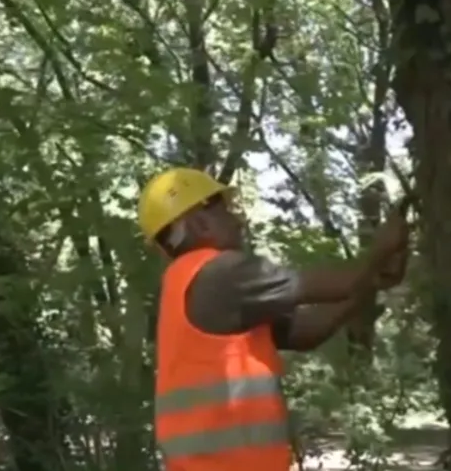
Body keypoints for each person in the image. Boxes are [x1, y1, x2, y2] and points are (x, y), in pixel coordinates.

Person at [137, 168, 411, 471]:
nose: (239, 221)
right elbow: (344, 283)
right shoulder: (221, 274)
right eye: (225, 211)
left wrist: (373, 280)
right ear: (200, 222)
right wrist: (381, 250)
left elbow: (306, 332)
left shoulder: (188, 285)